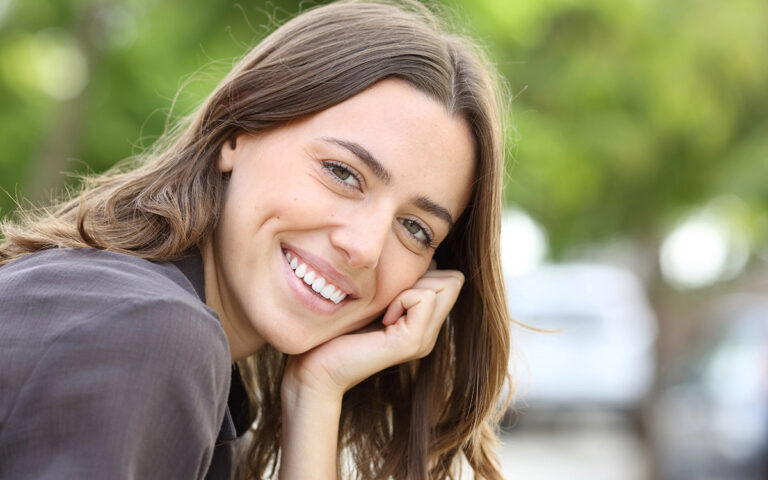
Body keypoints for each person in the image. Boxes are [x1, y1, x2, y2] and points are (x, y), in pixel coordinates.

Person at [0, 0, 511, 478]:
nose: (366, 248)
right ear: (237, 132)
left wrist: (315, 392)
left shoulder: (189, 357)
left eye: (416, 228)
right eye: (342, 172)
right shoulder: (148, 330)